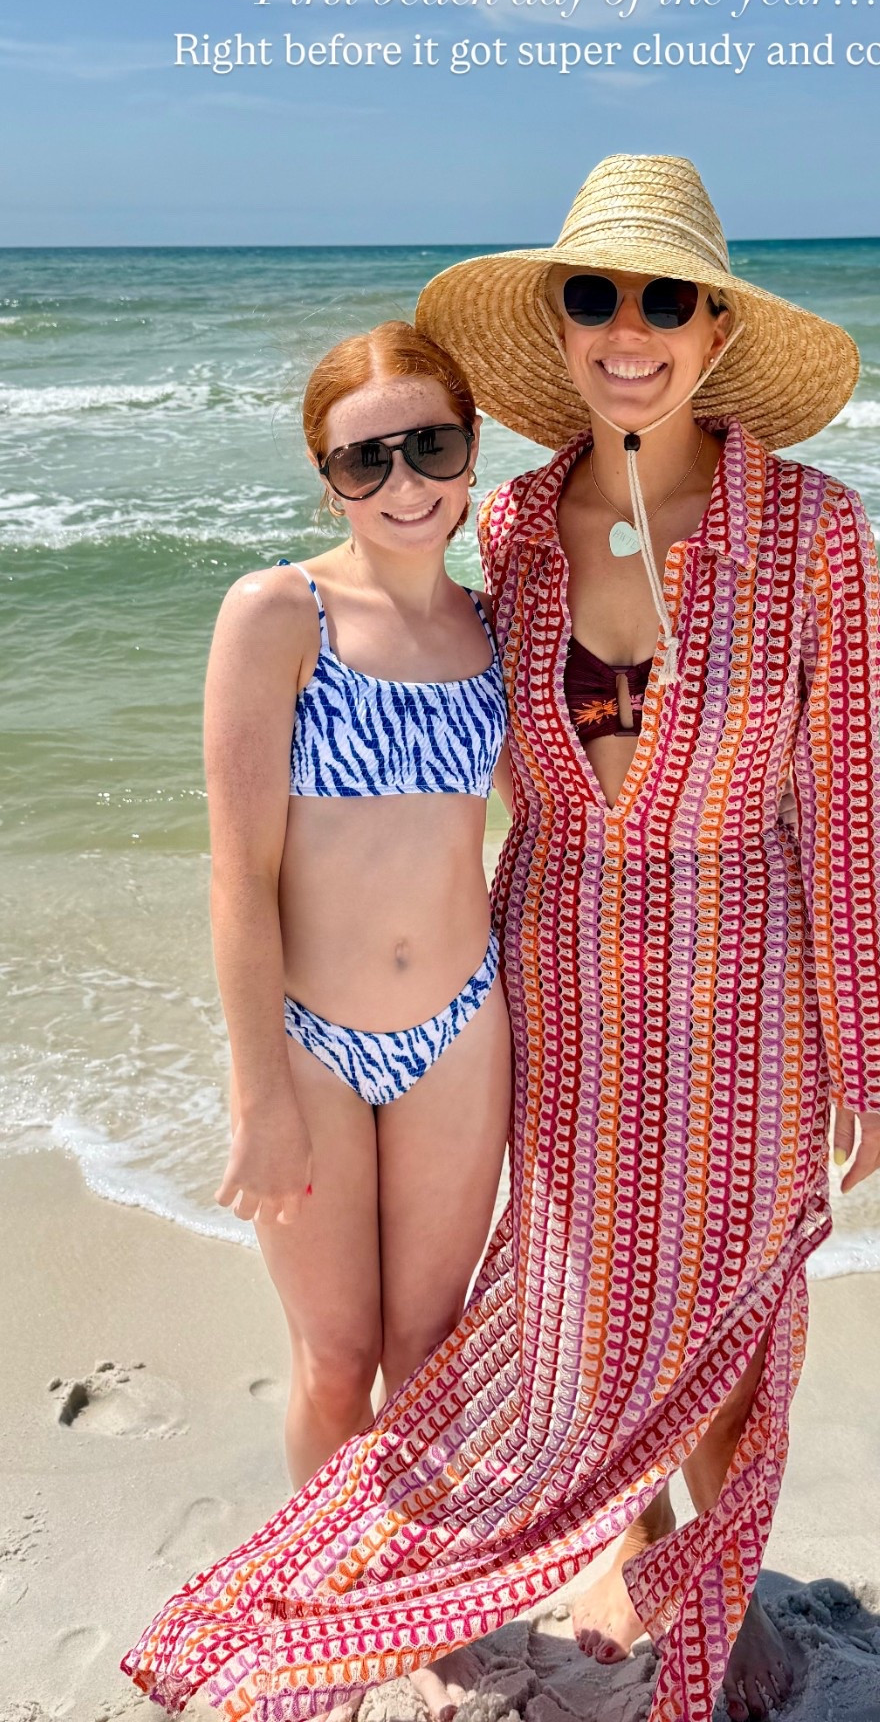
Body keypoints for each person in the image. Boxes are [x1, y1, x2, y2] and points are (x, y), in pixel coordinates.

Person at [122, 157, 880, 1722]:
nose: (631, 329)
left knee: (730, 1304)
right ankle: (623, 1545)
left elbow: (846, 808)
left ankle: (716, 1595)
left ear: (713, 325)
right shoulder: (527, 534)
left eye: (664, 298)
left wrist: (872, 1049)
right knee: (586, 1295)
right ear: (556, 328)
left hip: (744, 967)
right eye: (595, 297)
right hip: (546, 961)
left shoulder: (817, 532)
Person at [204, 319, 510, 1488]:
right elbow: (239, 875)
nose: (403, 482)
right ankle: (333, 1599)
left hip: (460, 1033)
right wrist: (259, 1094)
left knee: (426, 1354)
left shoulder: (493, 626)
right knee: (335, 1360)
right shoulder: (279, 613)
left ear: (472, 450)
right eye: (363, 459)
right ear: (327, 480)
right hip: (311, 1043)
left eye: (429, 446)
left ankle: (418, 1622)